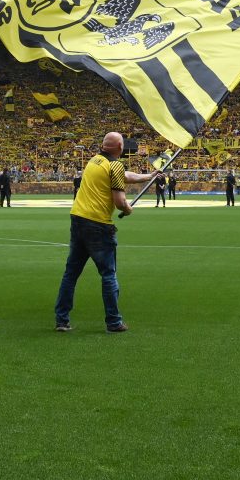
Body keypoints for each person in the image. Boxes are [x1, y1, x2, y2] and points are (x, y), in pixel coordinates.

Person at [54, 131, 154, 333]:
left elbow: (125, 176)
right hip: (98, 224)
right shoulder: (115, 165)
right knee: (108, 274)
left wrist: (149, 176)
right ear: (120, 147)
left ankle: (61, 320)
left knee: (71, 273)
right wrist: (128, 209)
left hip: (78, 218)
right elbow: (119, 202)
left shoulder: (94, 161)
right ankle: (113, 322)